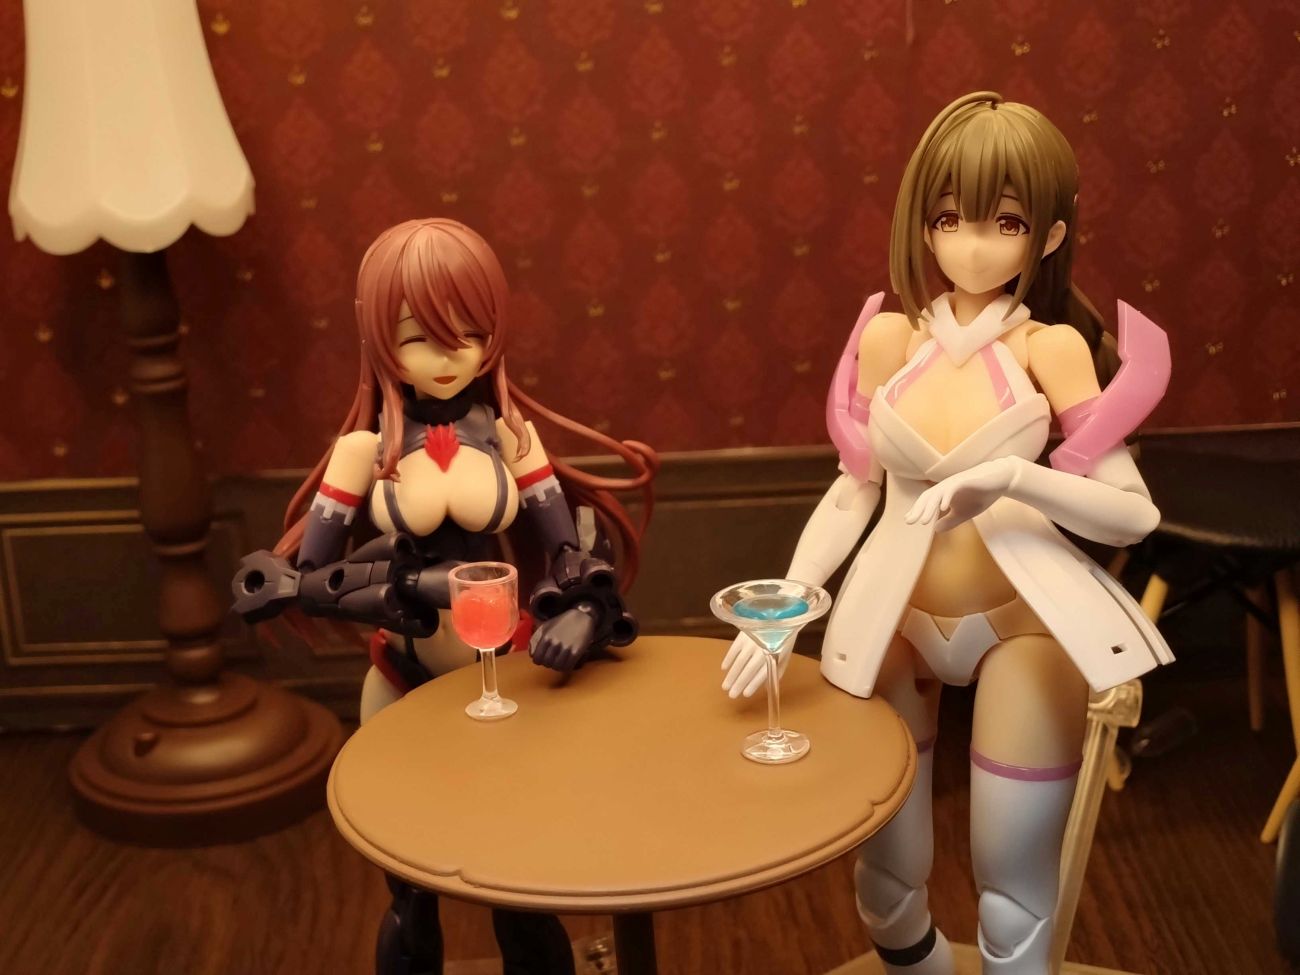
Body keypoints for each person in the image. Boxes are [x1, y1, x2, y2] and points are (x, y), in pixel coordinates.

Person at [721, 92, 1172, 975]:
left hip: (1019, 622)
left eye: (1005, 222)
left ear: (1047, 235)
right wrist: (786, 609)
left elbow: (1133, 510)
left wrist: (1014, 477)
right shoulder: (890, 339)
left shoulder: (1050, 350)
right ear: (922, 225)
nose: (971, 245)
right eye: (948, 218)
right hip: (895, 619)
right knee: (886, 875)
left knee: (1012, 879)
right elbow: (853, 490)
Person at [234, 218, 656, 975]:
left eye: (469, 332)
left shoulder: (512, 435)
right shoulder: (364, 449)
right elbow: (313, 580)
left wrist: (585, 611)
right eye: (418, 336)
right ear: (377, 337)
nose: (448, 354)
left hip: (503, 678)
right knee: (410, 895)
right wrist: (398, 585)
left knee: (517, 886)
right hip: (403, 679)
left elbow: (570, 555)